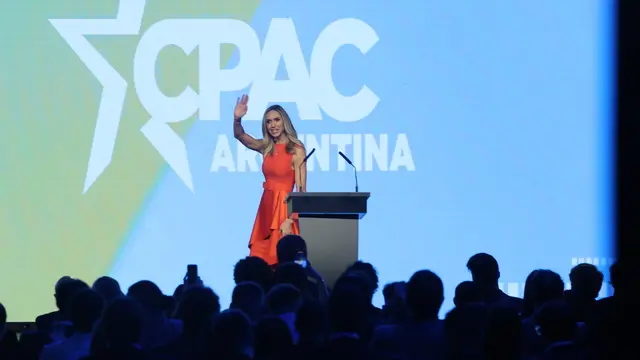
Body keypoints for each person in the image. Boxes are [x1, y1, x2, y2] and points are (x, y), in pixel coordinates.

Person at [233, 94, 307, 265]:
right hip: (266, 208)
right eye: (268, 121)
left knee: (279, 261)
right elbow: (241, 136)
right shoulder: (266, 147)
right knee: (259, 261)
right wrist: (237, 119)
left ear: (284, 122)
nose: (272, 125)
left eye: (276, 120)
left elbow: (302, 192)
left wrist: (290, 220)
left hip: (284, 212)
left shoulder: (297, 150)